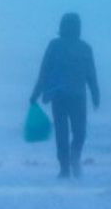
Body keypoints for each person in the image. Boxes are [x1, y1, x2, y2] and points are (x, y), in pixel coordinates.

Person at [29, 12, 100, 179]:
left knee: (70, 133)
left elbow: (90, 75)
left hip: (70, 97)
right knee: (71, 133)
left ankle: (70, 164)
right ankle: (67, 167)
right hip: (65, 97)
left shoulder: (82, 48)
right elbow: (45, 71)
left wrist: (95, 93)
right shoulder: (58, 46)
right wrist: (35, 93)